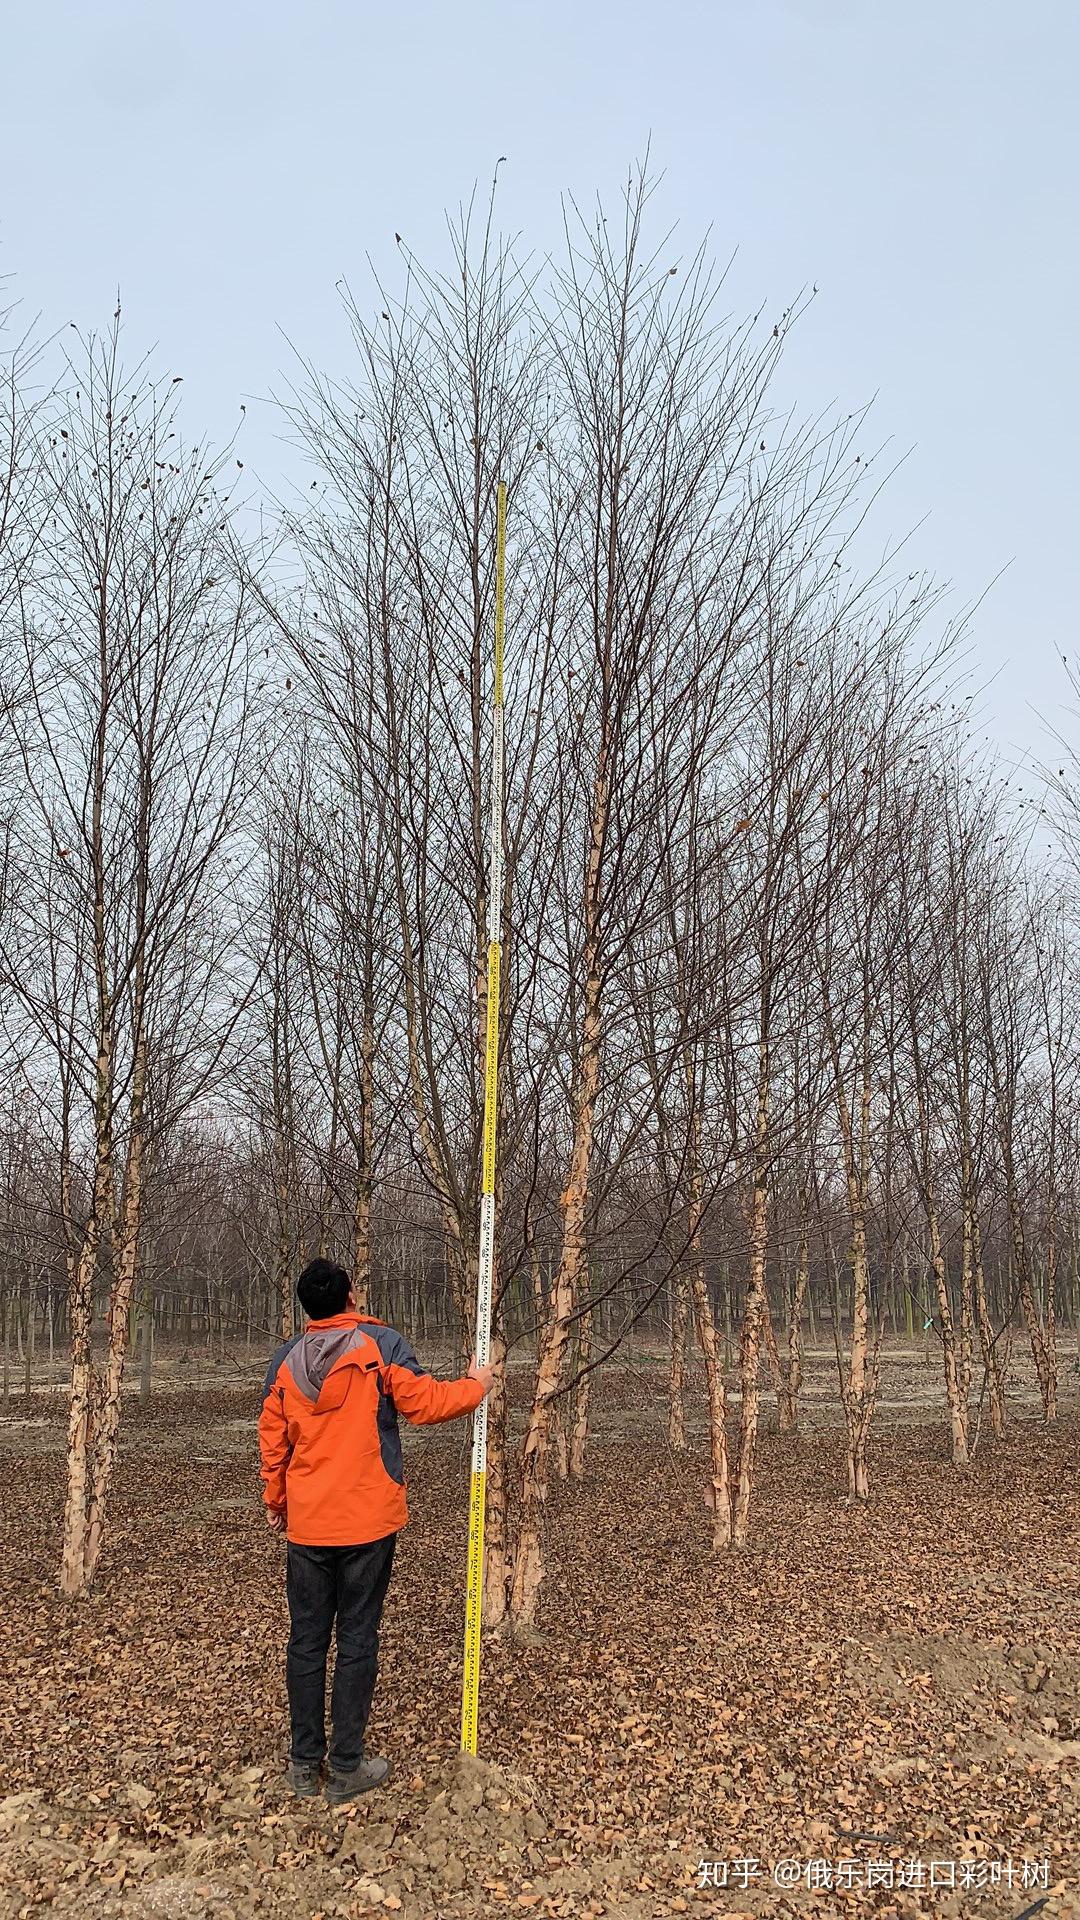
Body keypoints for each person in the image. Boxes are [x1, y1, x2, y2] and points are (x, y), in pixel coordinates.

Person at [258, 1258, 494, 1805]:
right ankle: (345, 1766)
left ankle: (303, 1763)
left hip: (309, 1526)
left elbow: (273, 1440)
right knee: (357, 1638)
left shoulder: (284, 1362)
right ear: (351, 1296)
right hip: (367, 1521)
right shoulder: (380, 1346)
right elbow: (424, 1404)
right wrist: (476, 1385)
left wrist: (277, 1500)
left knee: (307, 1640)